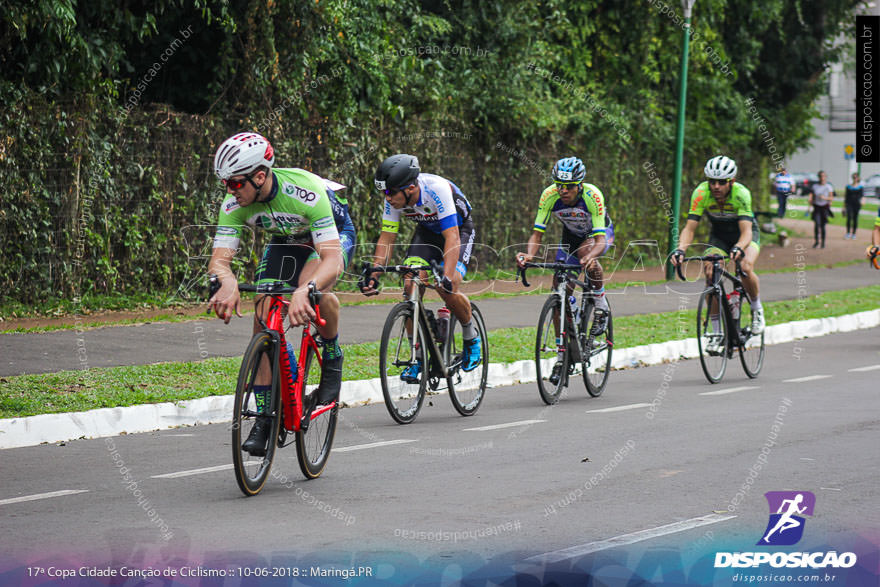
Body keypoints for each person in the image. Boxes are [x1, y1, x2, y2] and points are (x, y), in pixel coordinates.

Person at [208, 132, 350, 456]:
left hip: (330, 237)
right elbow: (219, 260)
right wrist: (226, 280)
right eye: (226, 184)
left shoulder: (306, 193)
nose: (230, 190)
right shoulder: (235, 203)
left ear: (260, 176)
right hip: (288, 240)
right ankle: (265, 416)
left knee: (313, 293)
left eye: (234, 183)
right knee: (263, 313)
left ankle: (331, 357)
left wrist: (307, 289)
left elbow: (333, 260)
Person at [361, 154, 481, 377]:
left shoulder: (437, 190)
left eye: (390, 192)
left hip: (458, 231)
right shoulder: (395, 198)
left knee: (449, 285)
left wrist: (445, 276)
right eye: (383, 192)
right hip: (426, 233)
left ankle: (470, 335)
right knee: (410, 285)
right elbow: (386, 238)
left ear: (410, 188)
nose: (387, 198)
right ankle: (417, 356)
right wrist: (375, 272)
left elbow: (452, 237)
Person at [516, 157, 615, 385]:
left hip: (597, 235)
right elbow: (537, 234)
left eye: (568, 186)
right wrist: (529, 255)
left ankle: (600, 305)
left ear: (579, 184)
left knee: (585, 254)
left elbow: (600, 240)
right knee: (559, 290)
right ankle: (563, 356)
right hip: (569, 238)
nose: (563, 190)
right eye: (559, 184)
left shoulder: (592, 196)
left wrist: (591, 256)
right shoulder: (549, 195)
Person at [671, 155, 765, 349]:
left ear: (732, 181)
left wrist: (739, 247)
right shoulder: (700, 193)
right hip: (719, 237)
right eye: (712, 181)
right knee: (711, 274)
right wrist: (680, 249)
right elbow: (690, 228)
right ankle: (715, 330)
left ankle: (757, 310)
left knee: (746, 266)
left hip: (745, 234)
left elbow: (747, 231)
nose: (716, 186)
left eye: (722, 182)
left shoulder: (741, 194)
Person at [809, 171, 834, 248]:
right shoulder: (814, 186)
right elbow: (811, 196)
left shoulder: (829, 186)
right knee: (816, 224)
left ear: (826, 177)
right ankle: (816, 241)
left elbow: (831, 198)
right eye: (820, 176)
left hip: (824, 207)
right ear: (818, 177)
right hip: (816, 207)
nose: (822, 178)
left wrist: (824, 198)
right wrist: (810, 201)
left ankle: (823, 242)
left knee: (823, 226)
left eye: (823, 176)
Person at [844, 173, 864, 240]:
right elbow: (846, 197)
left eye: (856, 177)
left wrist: (862, 201)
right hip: (849, 204)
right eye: (854, 177)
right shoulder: (848, 187)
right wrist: (844, 207)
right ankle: (848, 233)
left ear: (858, 178)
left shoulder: (860, 187)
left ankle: (854, 234)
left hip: (857, 205)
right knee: (849, 218)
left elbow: (862, 196)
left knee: (855, 219)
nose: (855, 179)